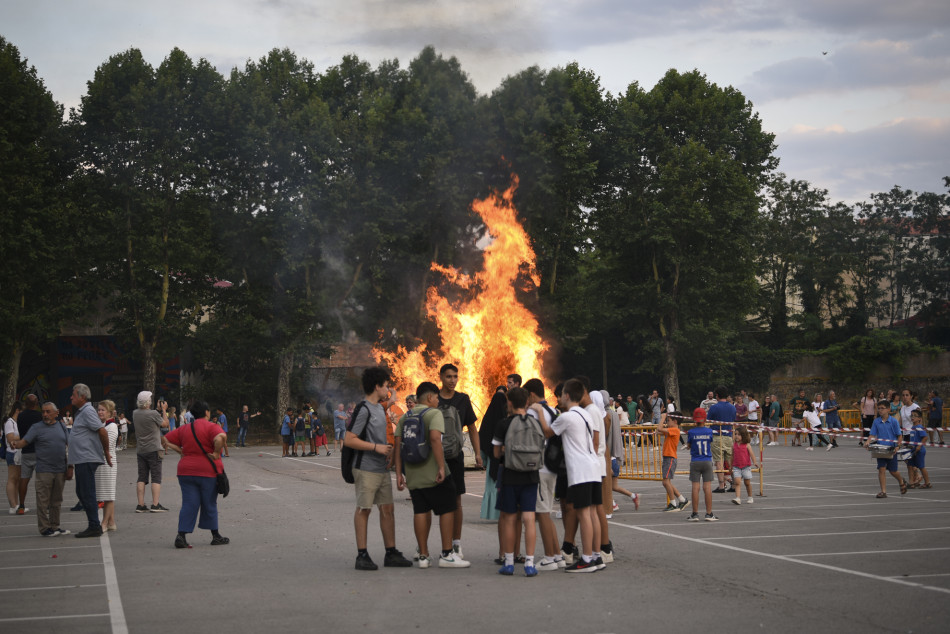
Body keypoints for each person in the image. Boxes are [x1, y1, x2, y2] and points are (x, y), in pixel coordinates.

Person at [394, 381, 469, 569]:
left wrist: (399, 473)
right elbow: (436, 438)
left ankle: (423, 555)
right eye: (436, 397)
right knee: (448, 508)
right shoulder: (433, 413)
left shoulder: (405, 417)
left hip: (412, 473)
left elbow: (397, 446)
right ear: (429, 397)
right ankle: (446, 554)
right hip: (433, 472)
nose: (437, 400)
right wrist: (442, 467)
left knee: (420, 510)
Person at [344, 366, 413, 571]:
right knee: (364, 509)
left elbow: (383, 413)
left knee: (388, 509)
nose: (388, 388)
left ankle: (390, 552)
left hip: (381, 468)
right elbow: (349, 439)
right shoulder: (364, 409)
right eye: (385, 385)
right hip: (365, 468)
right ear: (377, 386)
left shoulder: (379, 408)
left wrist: (389, 452)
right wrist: (376, 447)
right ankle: (362, 554)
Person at [551, 379, 603, 572]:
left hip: (580, 471)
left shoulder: (566, 417)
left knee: (583, 513)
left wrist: (540, 412)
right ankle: (596, 556)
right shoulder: (586, 414)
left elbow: (548, 432)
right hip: (593, 467)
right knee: (592, 513)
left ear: (566, 395)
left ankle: (587, 559)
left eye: (561, 394)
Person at [163, 400, 230, 548]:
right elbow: (221, 438)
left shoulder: (185, 428)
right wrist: (216, 452)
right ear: (206, 412)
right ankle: (215, 535)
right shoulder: (212, 426)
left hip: (185, 471)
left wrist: (181, 451)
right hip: (207, 472)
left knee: (189, 503)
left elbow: (165, 439)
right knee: (209, 503)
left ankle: (181, 535)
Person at [493, 387, 543, 576]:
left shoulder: (504, 424)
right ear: (527, 403)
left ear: (510, 403)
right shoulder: (534, 423)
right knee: (529, 519)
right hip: (531, 475)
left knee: (509, 518)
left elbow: (496, 453)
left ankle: (509, 562)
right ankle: (530, 564)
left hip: (510, 476)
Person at [438, 363, 483, 560]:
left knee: (456, 500)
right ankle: (435, 546)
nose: (453, 380)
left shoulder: (463, 399)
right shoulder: (434, 398)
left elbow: (472, 428)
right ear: (441, 377)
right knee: (436, 501)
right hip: (435, 457)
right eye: (448, 376)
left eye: (455, 376)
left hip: (455, 456)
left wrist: (478, 453)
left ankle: (456, 543)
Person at [11, 401, 71, 535]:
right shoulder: (36, 427)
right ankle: (45, 528)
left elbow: (70, 445)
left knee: (56, 501)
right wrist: (16, 444)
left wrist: (70, 467)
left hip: (60, 470)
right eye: (43, 412)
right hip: (44, 470)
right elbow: (25, 441)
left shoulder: (62, 426)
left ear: (56, 413)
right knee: (43, 501)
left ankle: (55, 526)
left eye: (48, 412)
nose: (45, 414)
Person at [524, 378, 565, 571]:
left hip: (539, 467)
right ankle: (557, 554)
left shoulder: (533, 413)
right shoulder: (553, 411)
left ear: (531, 394)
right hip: (552, 467)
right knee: (546, 511)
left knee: (542, 514)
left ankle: (549, 556)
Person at [67, 383, 112, 537]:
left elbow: (102, 431)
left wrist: (106, 452)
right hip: (81, 459)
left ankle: (94, 525)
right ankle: (93, 524)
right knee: (82, 491)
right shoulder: (82, 412)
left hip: (86, 458)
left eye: (73, 394)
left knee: (87, 492)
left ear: (82, 397)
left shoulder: (87, 411)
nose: (71, 397)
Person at [134, 391, 169, 513]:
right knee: (156, 477)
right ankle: (155, 504)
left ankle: (140, 504)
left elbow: (148, 415)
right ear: (148, 402)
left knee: (141, 477)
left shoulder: (135, 413)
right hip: (154, 449)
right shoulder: (153, 413)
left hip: (141, 449)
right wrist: (164, 410)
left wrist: (157, 411)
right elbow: (165, 424)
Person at [479, 386, 508, 522]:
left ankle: (490, 513)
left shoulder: (487, 419)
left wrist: (483, 459)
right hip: (505, 460)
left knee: (491, 485)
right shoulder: (506, 420)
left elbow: (482, 438)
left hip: (492, 458)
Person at [867, 400, 907, 498]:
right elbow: (872, 434)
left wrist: (897, 446)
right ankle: (883, 491)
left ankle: (901, 481)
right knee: (881, 469)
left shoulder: (893, 421)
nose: (880, 410)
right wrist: (867, 442)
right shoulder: (876, 421)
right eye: (879, 408)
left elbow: (899, 436)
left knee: (893, 471)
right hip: (880, 449)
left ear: (888, 409)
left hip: (891, 449)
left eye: (882, 408)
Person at [686, 404, 717, 522]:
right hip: (707, 460)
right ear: (705, 419)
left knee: (695, 487)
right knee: (707, 487)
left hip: (695, 461)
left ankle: (695, 514)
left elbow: (689, 445)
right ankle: (709, 513)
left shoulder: (691, 432)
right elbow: (709, 441)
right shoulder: (709, 431)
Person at [95, 400, 119, 531]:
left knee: (108, 495)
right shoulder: (104, 425)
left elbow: (107, 447)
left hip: (107, 462)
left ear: (109, 412)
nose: (100, 412)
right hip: (102, 462)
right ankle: (111, 522)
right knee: (106, 492)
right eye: (98, 409)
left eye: (103, 410)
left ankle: (104, 523)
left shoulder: (112, 426)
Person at [16, 394, 42, 515]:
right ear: (36, 403)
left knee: (24, 478)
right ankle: (43, 505)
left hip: (25, 451)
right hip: (39, 451)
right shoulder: (40, 416)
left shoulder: (20, 416)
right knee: (41, 480)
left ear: (25, 404)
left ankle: (21, 505)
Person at [657, 412, 688, 511]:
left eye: (668, 420)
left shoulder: (675, 430)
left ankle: (673, 503)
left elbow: (659, 429)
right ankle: (682, 500)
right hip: (667, 457)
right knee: (667, 482)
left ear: (675, 421)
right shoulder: (671, 429)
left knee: (666, 482)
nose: (667, 422)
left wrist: (662, 418)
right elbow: (658, 431)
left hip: (670, 457)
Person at [707, 386, 736, 493]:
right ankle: (734, 483)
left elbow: (708, 421)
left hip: (717, 436)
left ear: (717, 396)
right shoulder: (733, 407)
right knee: (730, 461)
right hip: (728, 435)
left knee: (719, 461)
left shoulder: (714, 407)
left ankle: (721, 485)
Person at [731, 427, 758, 505]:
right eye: (735, 434)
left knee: (747, 483)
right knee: (737, 482)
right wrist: (730, 466)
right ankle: (738, 498)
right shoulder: (734, 445)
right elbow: (732, 456)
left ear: (743, 435)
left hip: (746, 467)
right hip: (736, 467)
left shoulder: (747, 445)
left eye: (739, 434)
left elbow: (752, 454)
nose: (736, 436)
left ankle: (750, 497)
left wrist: (755, 462)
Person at [5, 403, 23, 514]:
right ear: (17, 410)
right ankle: (12, 505)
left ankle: (16, 505)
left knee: (17, 480)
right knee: (12, 478)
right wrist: (23, 435)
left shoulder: (17, 422)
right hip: (12, 453)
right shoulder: (9, 422)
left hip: (18, 452)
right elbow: (10, 437)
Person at [905, 409, 931, 488]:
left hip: (919, 450)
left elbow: (925, 437)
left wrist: (919, 446)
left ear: (919, 418)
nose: (912, 417)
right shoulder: (913, 427)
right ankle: (911, 483)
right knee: (909, 466)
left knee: (921, 467)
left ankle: (927, 483)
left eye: (914, 416)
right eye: (911, 415)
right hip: (912, 450)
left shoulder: (920, 427)